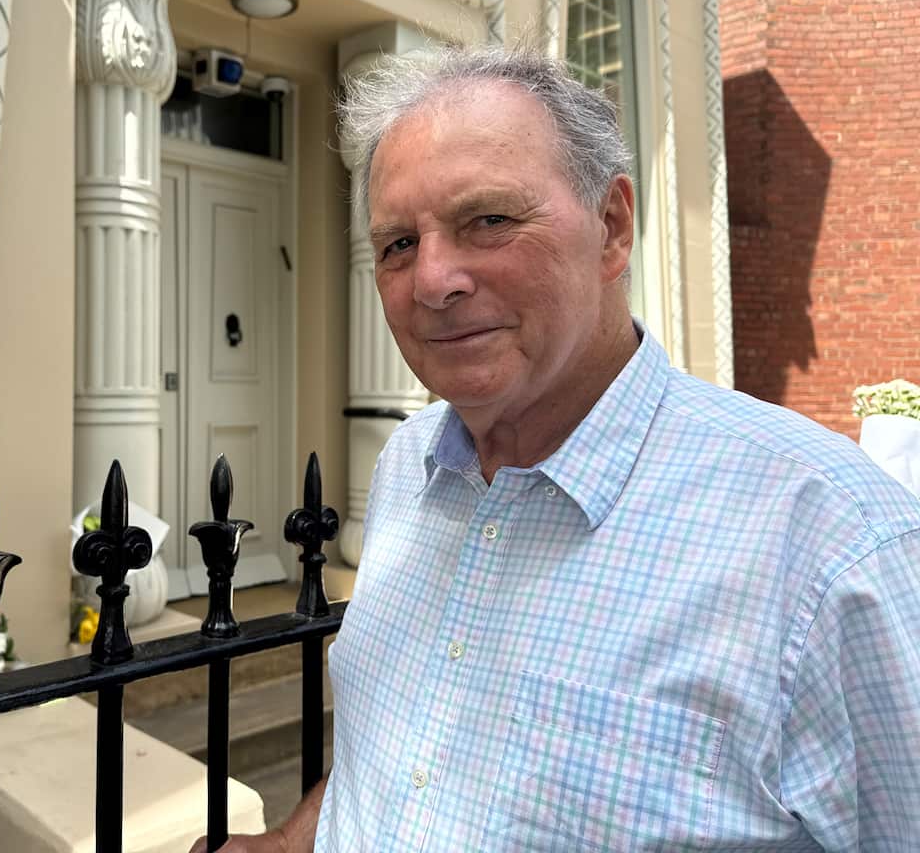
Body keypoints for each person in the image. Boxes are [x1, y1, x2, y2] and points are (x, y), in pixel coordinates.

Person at [191, 45, 920, 852]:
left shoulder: (835, 546)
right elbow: (395, 764)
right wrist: (289, 842)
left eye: (489, 221)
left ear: (612, 227)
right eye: (398, 243)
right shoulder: (409, 469)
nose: (432, 279)